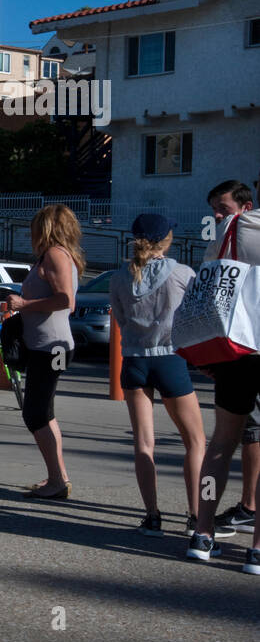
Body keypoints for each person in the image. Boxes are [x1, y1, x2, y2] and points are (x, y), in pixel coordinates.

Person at [109, 214, 205, 535]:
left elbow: (120, 321)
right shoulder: (181, 273)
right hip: (170, 358)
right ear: (166, 239)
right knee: (195, 442)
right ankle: (196, 516)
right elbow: (197, 315)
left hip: (134, 361)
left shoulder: (120, 277)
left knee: (144, 444)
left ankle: (151, 516)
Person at [189, 179, 260, 568]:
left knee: (219, 446)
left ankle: (202, 534)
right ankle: (256, 551)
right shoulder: (233, 226)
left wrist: (206, 357)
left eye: (222, 207)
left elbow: (207, 292)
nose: (217, 215)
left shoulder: (229, 234)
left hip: (235, 351)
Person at [6, 204, 82, 500]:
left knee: (35, 413)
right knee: (44, 412)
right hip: (49, 345)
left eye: (35, 228)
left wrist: (24, 305)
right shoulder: (58, 255)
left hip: (51, 346)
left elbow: (66, 300)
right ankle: (57, 476)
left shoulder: (55, 255)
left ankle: (57, 480)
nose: (31, 234)